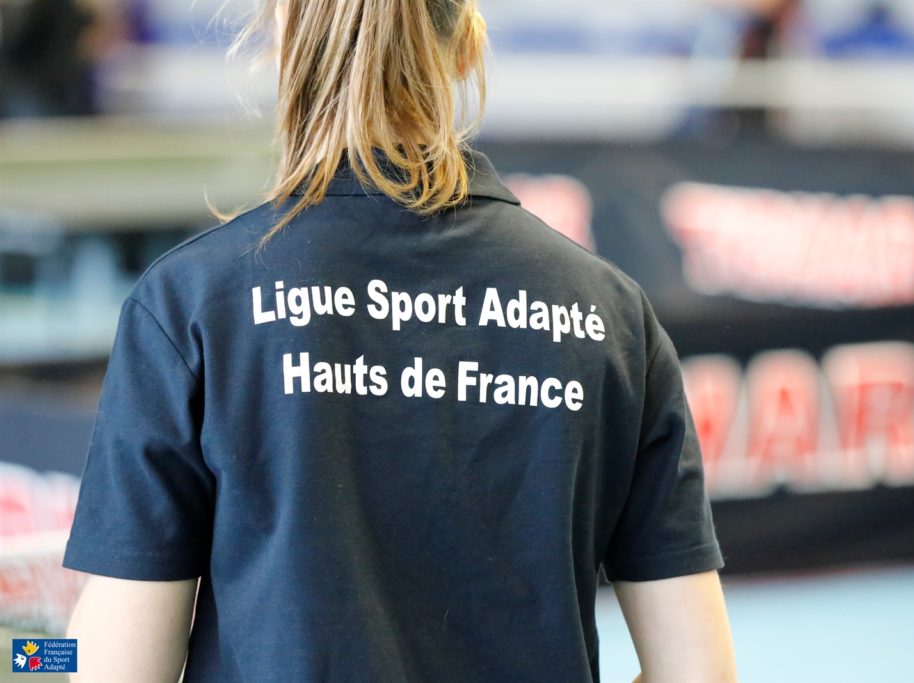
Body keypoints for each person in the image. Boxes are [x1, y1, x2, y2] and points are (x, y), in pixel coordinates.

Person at [62, 1, 738, 681]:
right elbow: (698, 672)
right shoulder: (610, 314)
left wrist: (29, 656)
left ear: (284, 44)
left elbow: (111, 668)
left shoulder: (193, 302)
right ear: (467, 45)